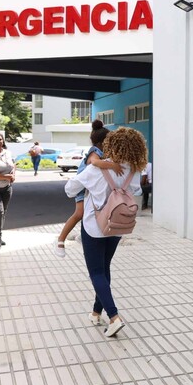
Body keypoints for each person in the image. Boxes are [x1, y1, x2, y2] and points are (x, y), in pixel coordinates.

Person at [64, 127, 147, 337]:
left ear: (111, 144)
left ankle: (114, 317)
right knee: (104, 269)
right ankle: (95, 312)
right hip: (117, 226)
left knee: (97, 273)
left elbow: (69, 190)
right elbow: (136, 190)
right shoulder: (134, 170)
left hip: (94, 227)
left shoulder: (96, 169)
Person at [53, 120, 122, 257]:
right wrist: (112, 166)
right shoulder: (94, 151)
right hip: (81, 187)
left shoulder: (102, 151)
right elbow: (95, 163)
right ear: (102, 142)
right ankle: (60, 240)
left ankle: (83, 236)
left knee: (88, 212)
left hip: (88, 186)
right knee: (79, 213)